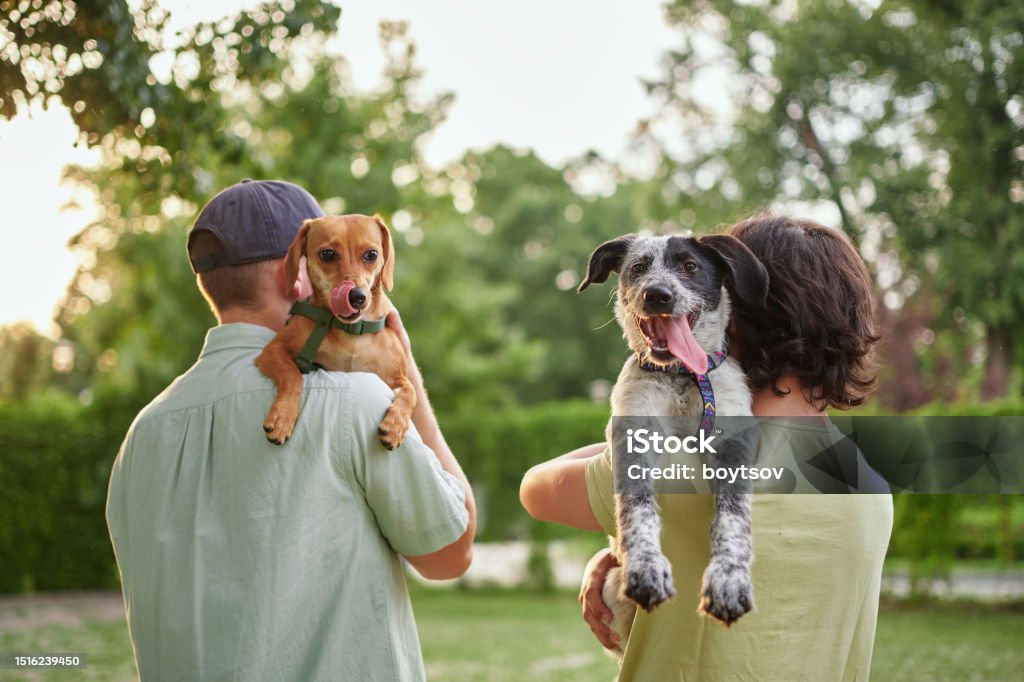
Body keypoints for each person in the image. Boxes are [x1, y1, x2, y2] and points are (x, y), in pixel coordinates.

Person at [106, 179, 477, 681]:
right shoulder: (357, 402)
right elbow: (451, 553)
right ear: (297, 275)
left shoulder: (142, 434)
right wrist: (406, 370)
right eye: (330, 256)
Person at [520, 215, 893, 681]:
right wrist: (621, 549)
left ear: (737, 312)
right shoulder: (870, 485)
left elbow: (536, 489)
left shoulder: (680, 467)